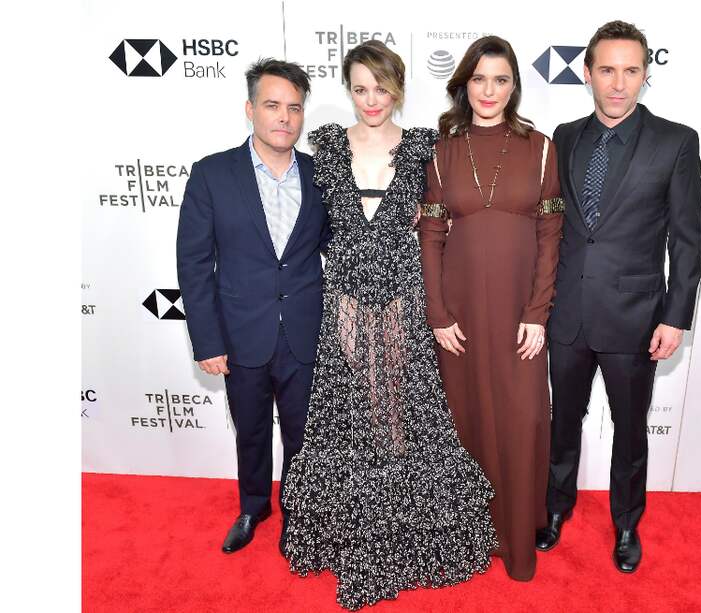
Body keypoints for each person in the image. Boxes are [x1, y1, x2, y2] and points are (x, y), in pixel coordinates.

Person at [280, 40, 496, 611]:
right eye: (359, 88)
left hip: (404, 294)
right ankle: (358, 538)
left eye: (381, 88)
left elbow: (446, 225)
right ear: (347, 91)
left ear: (398, 89)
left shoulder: (428, 147)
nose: (371, 100)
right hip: (346, 297)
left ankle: (398, 537)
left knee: (398, 414)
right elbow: (308, 227)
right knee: (352, 417)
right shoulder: (325, 146)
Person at [535, 20, 701, 573]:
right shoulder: (563, 136)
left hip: (636, 318)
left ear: (645, 75)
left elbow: (687, 238)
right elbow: (551, 225)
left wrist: (675, 317)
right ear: (587, 73)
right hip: (567, 313)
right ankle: (555, 507)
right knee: (562, 423)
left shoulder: (676, 142)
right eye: (607, 69)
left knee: (631, 432)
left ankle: (627, 523)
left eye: (631, 70)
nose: (618, 83)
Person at [418, 35, 564, 582]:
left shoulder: (541, 146)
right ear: (464, 84)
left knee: (524, 417)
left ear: (514, 86)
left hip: (520, 314)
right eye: (479, 79)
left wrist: (537, 311)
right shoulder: (441, 149)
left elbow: (551, 234)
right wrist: (437, 313)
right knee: (469, 418)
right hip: (460, 315)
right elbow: (430, 236)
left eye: (500, 79)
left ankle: (518, 535)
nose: (489, 90)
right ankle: (471, 538)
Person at [176, 59, 331, 553]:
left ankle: (301, 513)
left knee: (305, 433)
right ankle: (253, 505)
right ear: (250, 109)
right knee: (251, 428)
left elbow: (340, 244)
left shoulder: (321, 175)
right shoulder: (212, 174)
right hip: (241, 331)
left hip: (307, 329)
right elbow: (195, 264)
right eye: (272, 105)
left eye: (294, 107)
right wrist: (208, 339)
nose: (284, 117)